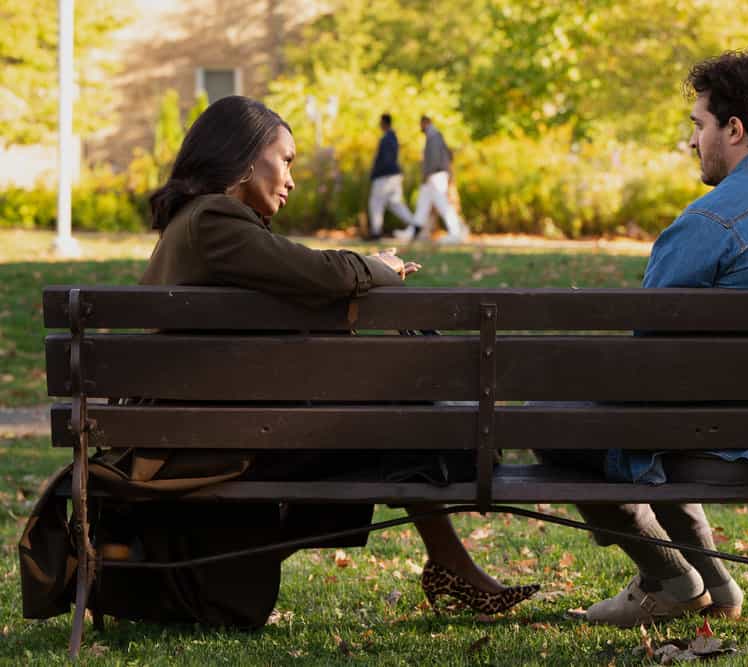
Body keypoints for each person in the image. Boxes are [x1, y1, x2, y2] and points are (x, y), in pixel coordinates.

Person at [20, 96, 535, 629]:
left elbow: (293, 288)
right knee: (404, 417)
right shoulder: (214, 221)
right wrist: (378, 266)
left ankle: (451, 560)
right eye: (285, 159)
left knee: (399, 411)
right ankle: (454, 550)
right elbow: (318, 273)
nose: (291, 179)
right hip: (208, 447)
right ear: (243, 157)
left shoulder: (200, 225)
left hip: (214, 432)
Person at [539, 49, 748, 628]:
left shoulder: (708, 221)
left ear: (734, 129)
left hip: (729, 451)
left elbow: (645, 356)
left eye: (699, 125)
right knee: (660, 422)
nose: (694, 140)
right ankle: (712, 581)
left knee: (556, 424)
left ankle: (668, 577)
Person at [393, 115, 468, 244]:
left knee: (443, 204)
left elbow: (434, 157)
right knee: (422, 205)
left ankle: (455, 232)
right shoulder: (433, 135)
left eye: (421, 124)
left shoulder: (434, 135)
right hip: (432, 176)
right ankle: (413, 231)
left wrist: (428, 174)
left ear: (425, 123)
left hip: (435, 176)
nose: (420, 127)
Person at [366, 113, 416, 240]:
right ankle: (415, 225)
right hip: (393, 175)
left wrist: (376, 173)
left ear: (384, 123)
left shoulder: (387, 139)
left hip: (385, 177)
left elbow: (386, 160)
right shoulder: (393, 138)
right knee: (395, 204)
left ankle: (376, 232)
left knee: (376, 203)